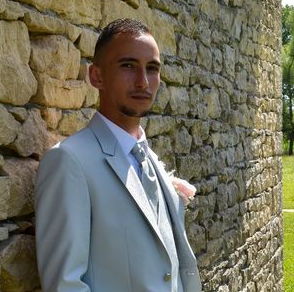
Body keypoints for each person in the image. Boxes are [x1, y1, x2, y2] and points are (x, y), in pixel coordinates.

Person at [35, 18, 202, 292]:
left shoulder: (151, 160)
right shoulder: (69, 162)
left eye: (152, 69)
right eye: (128, 66)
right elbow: (65, 286)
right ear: (96, 76)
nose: (143, 81)